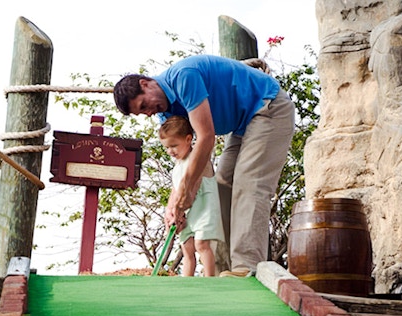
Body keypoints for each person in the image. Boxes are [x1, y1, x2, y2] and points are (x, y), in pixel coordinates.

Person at [114, 54, 295, 277]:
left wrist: (186, 193)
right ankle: (225, 268)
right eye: (142, 113)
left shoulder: (184, 77)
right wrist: (174, 208)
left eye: (144, 105)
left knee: (249, 184)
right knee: (221, 185)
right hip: (241, 126)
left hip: (267, 106)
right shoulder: (166, 115)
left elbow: (206, 137)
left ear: (146, 83)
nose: (149, 112)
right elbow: (188, 164)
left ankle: (247, 267)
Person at [158, 116, 221, 276]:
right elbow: (175, 189)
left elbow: (193, 186)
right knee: (187, 248)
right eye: (167, 148)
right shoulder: (177, 167)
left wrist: (180, 209)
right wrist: (171, 210)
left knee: (201, 244)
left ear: (188, 139)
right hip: (186, 213)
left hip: (204, 208)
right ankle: (187, 282)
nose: (170, 151)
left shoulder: (198, 159)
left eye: (174, 146)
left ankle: (209, 280)